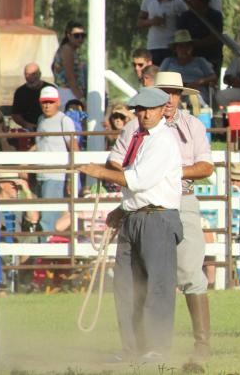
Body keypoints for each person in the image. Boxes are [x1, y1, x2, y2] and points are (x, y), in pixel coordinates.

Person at [104, 75, 214, 360]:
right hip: (139, 204)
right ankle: (139, 346)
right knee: (135, 277)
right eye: (163, 92)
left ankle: (201, 344)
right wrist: (128, 193)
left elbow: (205, 166)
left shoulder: (192, 126)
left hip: (179, 199)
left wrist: (167, 170)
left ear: (178, 96)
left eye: (173, 93)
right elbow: (115, 160)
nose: (168, 99)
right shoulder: (134, 128)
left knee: (189, 272)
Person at [77, 88, 182, 362]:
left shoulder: (163, 141)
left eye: (149, 109)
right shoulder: (142, 139)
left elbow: (140, 180)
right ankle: (133, 348)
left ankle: (156, 348)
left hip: (157, 218)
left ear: (162, 109)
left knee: (156, 285)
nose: (144, 114)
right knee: (126, 286)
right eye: (140, 110)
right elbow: (141, 186)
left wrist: (99, 172)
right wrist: (121, 209)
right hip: (137, 216)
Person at [32, 86, 78, 232]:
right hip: (41, 174)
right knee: (41, 215)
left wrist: (71, 178)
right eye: (44, 102)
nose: (47, 105)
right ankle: (45, 249)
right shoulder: (41, 119)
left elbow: (74, 148)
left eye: (50, 102)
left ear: (58, 103)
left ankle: (46, 250)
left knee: (48, 218)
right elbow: (40, 144)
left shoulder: (64, 120)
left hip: (56, 175)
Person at [138, 0, 188, 66]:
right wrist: (151, 21)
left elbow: (186, 25)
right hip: (153, 46)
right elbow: (139, 23)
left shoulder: (178, 1)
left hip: (171, 47)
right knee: (154, 76)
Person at [160, 30, 218, 104]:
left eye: (187, 46)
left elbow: (214, 77)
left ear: (191, 48)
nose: (184, 49)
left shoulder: (200, 61)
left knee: (195, 98)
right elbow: (160, 78)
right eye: (181, 46)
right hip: (174, 92)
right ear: (175, 48)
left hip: (197, 91)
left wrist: (199, 81)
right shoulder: (168, 61)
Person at [178, 0, 226, 77]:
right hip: (191, 56)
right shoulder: (185, 16)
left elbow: (216, 36)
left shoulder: (215, 15)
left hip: (212, 55)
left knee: (211, 79)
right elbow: (181, 36)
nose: (190, 2)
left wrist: (198, 43)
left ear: (203, 2)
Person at [51, 21, 87, 106]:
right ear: (69, 35)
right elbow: (70, 76)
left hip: (68, 91)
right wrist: (80, 98)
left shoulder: (71, 50)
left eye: (83, 36)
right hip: (68, 92)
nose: (80, 39)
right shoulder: (67, 50)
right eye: (76, 36)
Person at [10, 63, 54, 129]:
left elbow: (57, 108)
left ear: (40, 74)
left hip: (49, 126)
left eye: (33, 74)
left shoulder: (50, 89)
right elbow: (15, 114)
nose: (31, 77)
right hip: (29, 129)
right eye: (27, 74)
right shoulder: (20, 92)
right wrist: (26, 124)